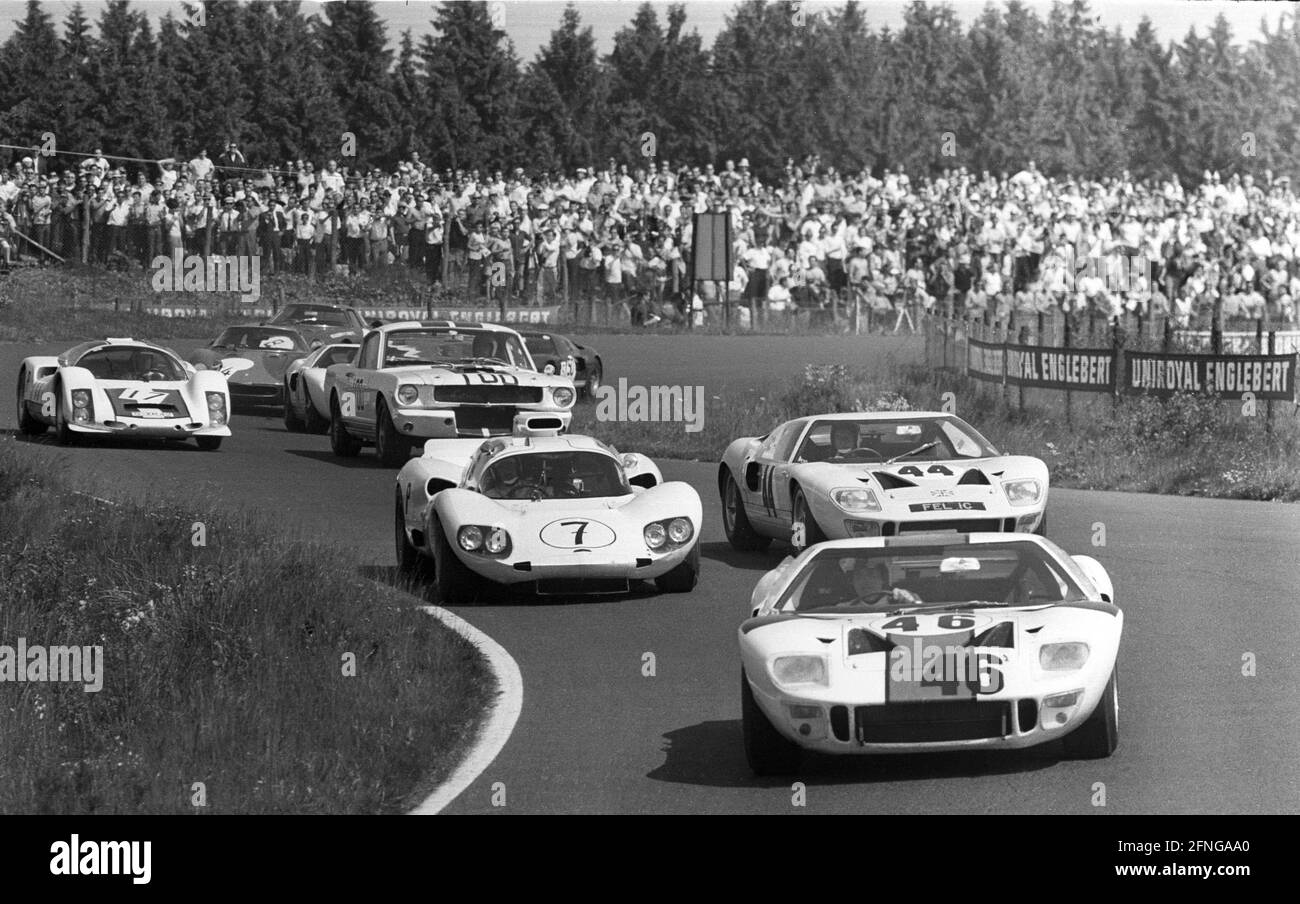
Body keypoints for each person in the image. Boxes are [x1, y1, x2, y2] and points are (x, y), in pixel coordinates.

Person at [843, 560, 922, 606]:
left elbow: (923, 614)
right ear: (852, 581)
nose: (865, 581)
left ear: (883, 580)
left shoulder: (900, 601)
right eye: (859, 577)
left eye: (871, 575)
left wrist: (909, 599)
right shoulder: (842, 609)